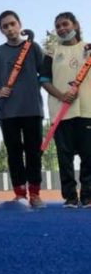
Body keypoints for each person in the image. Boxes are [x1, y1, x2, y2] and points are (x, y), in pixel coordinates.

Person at [0, 10, 47, 208]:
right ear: (1, 30)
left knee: (33, 153)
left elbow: (45, 73)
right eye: (5, 26)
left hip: (32, 109)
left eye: (12, 24)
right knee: (13, 153)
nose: (10, 28)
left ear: (20, 24)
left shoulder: (33, 47)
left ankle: (35, 194)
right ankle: (20, 193)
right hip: (7, 112)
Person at [42, 12, 91, 207]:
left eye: (65, 24)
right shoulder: (52, 52)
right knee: (65, 156)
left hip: (87, 110)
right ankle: (70, 196)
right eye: (58, 26)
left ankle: (88, 195)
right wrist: (62, 96)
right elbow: (44, 80)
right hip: (61, 112)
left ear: (75, 25)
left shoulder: (88, 49)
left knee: (89, 156)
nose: (62, 29)